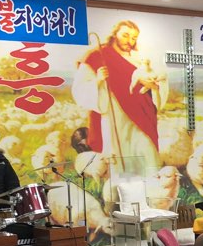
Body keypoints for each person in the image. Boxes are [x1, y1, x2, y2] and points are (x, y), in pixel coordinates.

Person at [72, 20, 168, 178]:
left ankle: (153, 186)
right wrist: (98, 80)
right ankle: (120, 188)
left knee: (147, 150)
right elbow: (80, 87)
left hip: (142, 117)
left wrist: (154, 85)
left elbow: (157, 80)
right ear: (114, 34)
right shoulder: (98, 56)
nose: (130, 41)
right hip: (114, 116)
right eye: (125, 35)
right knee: (118, 155)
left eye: (134, 38)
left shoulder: (139, 59)